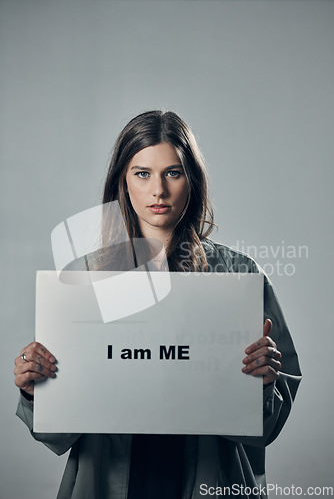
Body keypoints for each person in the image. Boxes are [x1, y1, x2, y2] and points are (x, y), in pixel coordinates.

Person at [14, 110, 301, 499]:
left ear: (192, 180)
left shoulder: (239, 276)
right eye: (142, 173)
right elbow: (55, 433)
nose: (158, 191)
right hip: (106, 481)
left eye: (173, 172)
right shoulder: (81, 279)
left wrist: (265, 385)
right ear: (123, 182)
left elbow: (267, 430)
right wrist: (36, 392)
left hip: (210, 479)